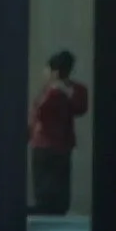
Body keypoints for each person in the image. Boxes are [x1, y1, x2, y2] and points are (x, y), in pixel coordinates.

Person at [29, 49, 90, 216]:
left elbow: (40, 113)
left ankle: (47, 210)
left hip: (48, 144)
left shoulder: (55, 91)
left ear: (54, 71)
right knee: (56, 186)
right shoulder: (63, 90)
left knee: (48, 186)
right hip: (57, 144)